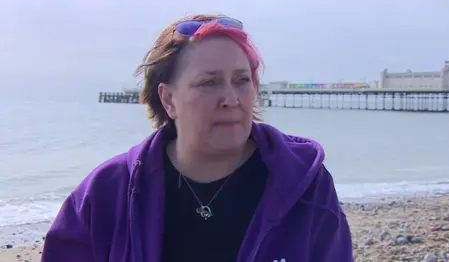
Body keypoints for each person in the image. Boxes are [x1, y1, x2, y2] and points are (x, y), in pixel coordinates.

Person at [41, 14, 354, 262]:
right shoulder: (109, 192)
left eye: (242, 80)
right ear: (169, 100)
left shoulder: (304, 185)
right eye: (209, 82)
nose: (231, 98)